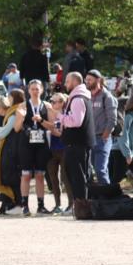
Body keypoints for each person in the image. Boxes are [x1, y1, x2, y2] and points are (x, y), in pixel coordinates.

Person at [51, 72, 94, 218]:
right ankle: (81, 207)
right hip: (78, 143)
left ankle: (82, 209)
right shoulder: (81, 96)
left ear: (75, 82)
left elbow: (76, 121)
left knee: (78, 176)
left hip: (77, 144)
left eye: (68, 81)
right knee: (79, 175)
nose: (65, 84)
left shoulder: (77, 99)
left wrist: (60, 116)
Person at [15, 79, 52, 215]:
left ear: (42, 90)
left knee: (40, 175)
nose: (35, 91)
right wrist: (20, 117)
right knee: (25, 175)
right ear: (28, 91)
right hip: (26, 144)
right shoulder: (23, 106)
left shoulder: (47, 106)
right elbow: (16, 128)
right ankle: (25, 206)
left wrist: (41, 120)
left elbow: (52, 126)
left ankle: (41, 206)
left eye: (37, 89)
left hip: (41, 144)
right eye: (32, 89)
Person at [0, 91, 24, 214]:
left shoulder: (15, 112)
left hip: (13, 149)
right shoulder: (12, 111)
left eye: (9, 97)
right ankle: (8, 205)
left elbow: (6, 131)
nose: (7, 99)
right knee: (7, 177)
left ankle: (16, 204)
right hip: (9, 148)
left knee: (11, 177)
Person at [85, 70, 117, 184]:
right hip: (89, 139)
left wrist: (105, 135)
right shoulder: (86, 96)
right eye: (86, 80)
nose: (87, 82)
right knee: (92, 170)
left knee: (100, 171)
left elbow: (112, 119)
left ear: (98, 80)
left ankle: (108, 199)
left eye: (90, 80)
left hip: (102, 138)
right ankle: (100, 197)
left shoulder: (107, 96)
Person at [45, 92, 72, 214]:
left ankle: (71, 204)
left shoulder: (67, 114)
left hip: (64, 148)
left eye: (57, 101)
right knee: (52, 178)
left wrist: (45, 124)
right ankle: (58, 204)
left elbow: (59, 132)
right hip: (51, 149)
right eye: (52, 101)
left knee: (66, 177)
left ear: (63, 102)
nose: (54, 103)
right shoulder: (49, 114)